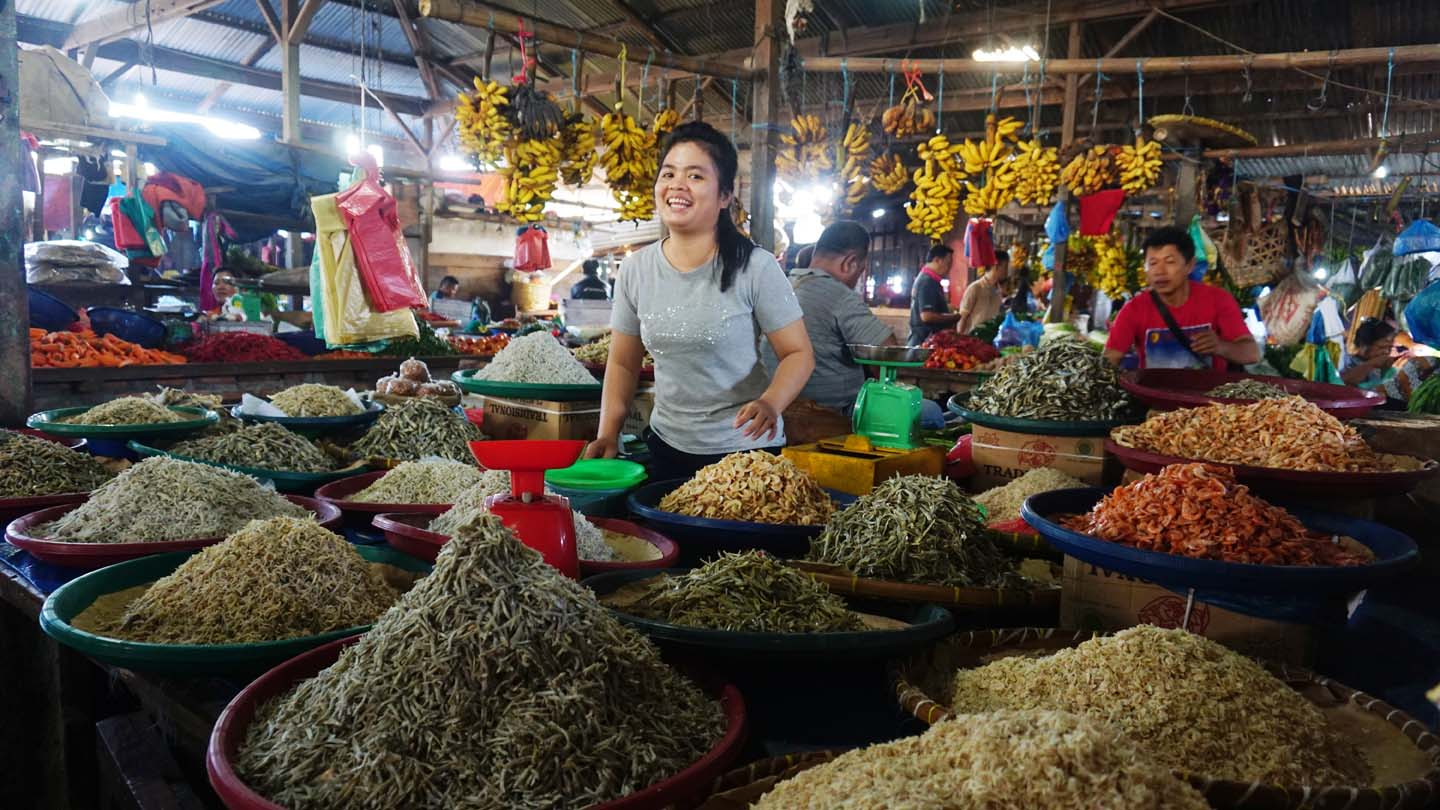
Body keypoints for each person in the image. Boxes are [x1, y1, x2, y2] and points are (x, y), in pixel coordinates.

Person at [585, 121, 815, 480]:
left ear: (725, 195)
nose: (677, 185)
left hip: (745, 453)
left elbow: (798, 354)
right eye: (669, 173)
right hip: (666, 445)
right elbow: (623, 365)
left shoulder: (755, 266)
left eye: (695, 176)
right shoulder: (635, 270)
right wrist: (607, 433)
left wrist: (771, 402)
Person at [761, 221, 896, 415]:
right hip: (831, 413)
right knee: (929, 411)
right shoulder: (838, 295)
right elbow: (888, 354)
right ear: (849, 263)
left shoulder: (781, 286)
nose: (857, 279)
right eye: (860, 271)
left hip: (776, 404)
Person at [1103, 226, 1259, 370]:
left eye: (1169, 262)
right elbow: (1110, 358)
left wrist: (1220, 347)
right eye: (1153, 263)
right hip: (1154, 398)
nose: (1159, 271)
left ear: (1190, 265)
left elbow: (1252, 353)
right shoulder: (1133, 309)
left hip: (1210, 398)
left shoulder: (1218, 300)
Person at [908, 244, 960, 345]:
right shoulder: (927, 281)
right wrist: (954, 317)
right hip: (924, 343)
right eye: (948, 264)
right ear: (937, 260)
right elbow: (927, 316)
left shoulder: (928, 279)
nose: (949, 268)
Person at [1341, 318, 1404, 389]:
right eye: (1381, 347)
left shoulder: (1378, 371)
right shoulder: (1344, 363)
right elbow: (1340, 384)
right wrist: (1372, 363)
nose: (1386, 352)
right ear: (1363, 345)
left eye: (1389, 347)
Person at [957, 250, 1009, 336]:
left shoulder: (998, 290)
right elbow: (963, 317)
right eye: (1005, 267)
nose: (1007, 272)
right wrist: (959, 338)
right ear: (996, 266)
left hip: (989, 339)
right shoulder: (975, 288)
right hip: (972, 340)